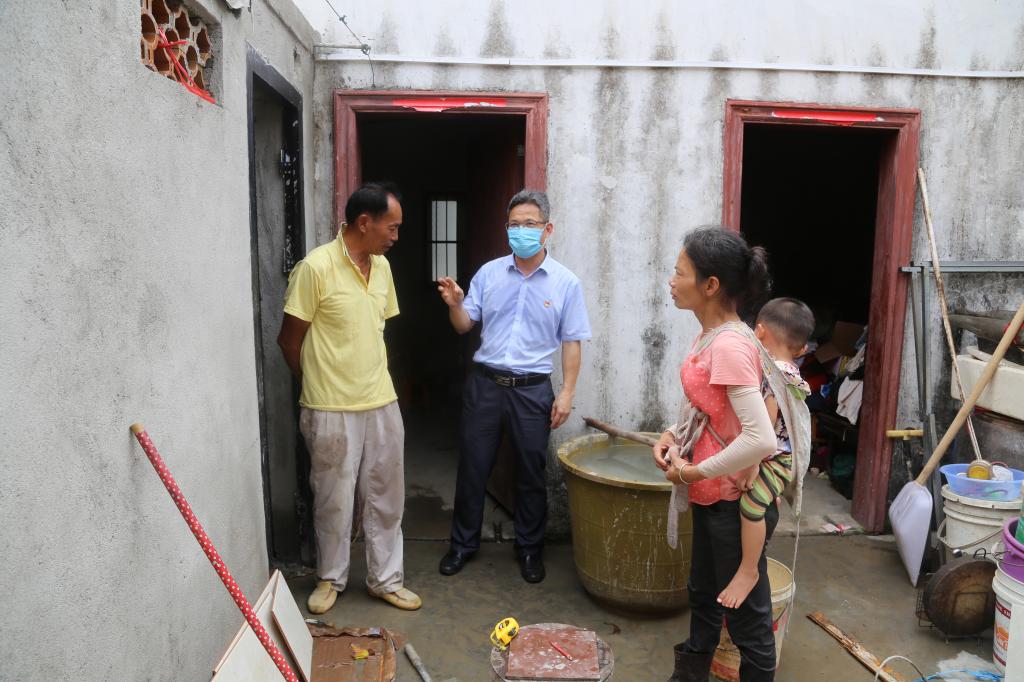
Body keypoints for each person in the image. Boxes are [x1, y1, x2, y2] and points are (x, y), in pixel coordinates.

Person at [277, 182, 421, 614]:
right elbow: (288, 340)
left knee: (387, 497)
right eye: (391, 228)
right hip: (330, 407)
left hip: (381, 401)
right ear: (363, 223)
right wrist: (316, 383)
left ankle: (385, 579)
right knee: (333, 498)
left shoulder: (383, 268)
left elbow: (376, 331)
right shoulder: (315, 268)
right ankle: (330, 578)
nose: (396, 236)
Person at [436, 189, 591, 583]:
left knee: (530, 472)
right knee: (473, 468)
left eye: (530, 224)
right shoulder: (489, 274)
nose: (521, 231)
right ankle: (462, 545)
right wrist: (455, 304)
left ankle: (529, 549)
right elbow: (463, 325)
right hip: (485, 386)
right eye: (514, 224)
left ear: (547, 230)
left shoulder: (566, 283)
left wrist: (567, 392)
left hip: (532, 390)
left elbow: (572, 341)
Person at [652, 226, 777, 682]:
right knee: (703, 595)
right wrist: (671, 434)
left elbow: (760, 439)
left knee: (747, 621)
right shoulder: (709, 335)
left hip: (733, 503)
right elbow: (709, 407)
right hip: (712, 496)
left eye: (679, 272)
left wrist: (692, 472)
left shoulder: (728, 344)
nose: (671, 281)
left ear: (710, 285)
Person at [717, 297, 814, 610]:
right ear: (802, 349)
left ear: (758, 332)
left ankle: (749, 570)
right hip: (778, 453)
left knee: (751, 505)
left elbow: (766, 429)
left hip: (772, 456)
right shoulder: (791, 371)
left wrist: (752, 465)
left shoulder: (775, 375)